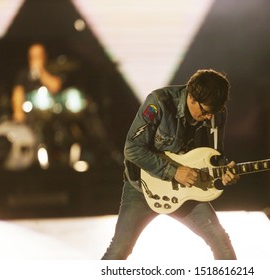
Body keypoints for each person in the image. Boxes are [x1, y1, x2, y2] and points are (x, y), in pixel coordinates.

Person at [102, 69, 240, 260]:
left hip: (187, 192)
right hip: (142, 188)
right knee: (119, 250)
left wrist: (223, 175)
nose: (210, 117)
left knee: (222, 244)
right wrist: (173, 171)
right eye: (206, 111)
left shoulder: (217, 113)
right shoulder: (159, 102)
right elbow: (132, 149)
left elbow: (214, 156)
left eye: (214, 112)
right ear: (192, 97)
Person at [11, 43, 62, 122]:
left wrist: (41, 71)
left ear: (44, 56)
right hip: (30, 115)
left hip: (51, 114)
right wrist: (18, 111)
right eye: (32, 56)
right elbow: (18, 92)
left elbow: (55, 87)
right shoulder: (24, 74)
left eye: (38, 56)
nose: (35, 59)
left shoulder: (52, 69)